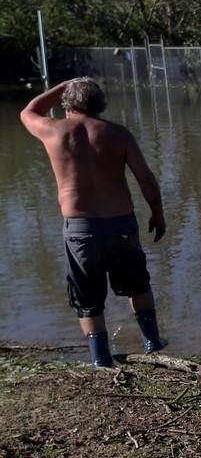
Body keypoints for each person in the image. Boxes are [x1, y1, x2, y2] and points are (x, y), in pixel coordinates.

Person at [20, 78, 167, 367]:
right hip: (120, 223)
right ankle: (152, 342)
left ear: (69, 103)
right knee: (137, 283)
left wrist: (63, 85)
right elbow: (146, 179)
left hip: (80, 227)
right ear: (100, 103)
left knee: (87, 295)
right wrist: (157, 213)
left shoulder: (53, 131)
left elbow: (28, 111)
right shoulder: (118, 134)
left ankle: (101, 359)